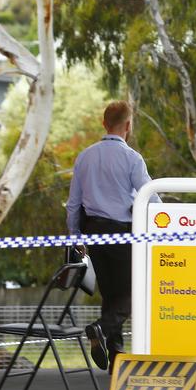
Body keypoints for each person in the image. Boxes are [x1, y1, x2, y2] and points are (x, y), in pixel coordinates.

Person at [66, 100, 160, 373]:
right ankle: (102, 328)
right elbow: (150, 195)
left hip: (94, 232)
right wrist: (168, 222)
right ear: (128, 125)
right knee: (135, 289)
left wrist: (76, 237)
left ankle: (116, 355)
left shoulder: (85, 156)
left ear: (104, 123)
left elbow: (73, 203)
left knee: (111, 293)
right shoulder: (132, 158)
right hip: (122, 232)